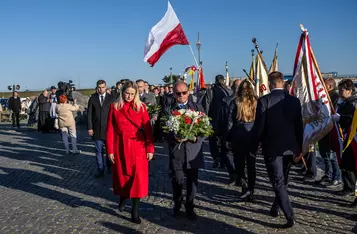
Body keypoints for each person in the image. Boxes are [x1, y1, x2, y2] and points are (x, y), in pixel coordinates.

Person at [251, 71, 303, 228]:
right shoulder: (294, 101)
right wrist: (299, 147)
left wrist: (256, 142)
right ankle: (275, 207)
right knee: (282, 180)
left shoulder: (264, 100)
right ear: (282, 82)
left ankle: (290, 215)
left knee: (278, 181)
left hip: (272, 146)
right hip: (290, 146)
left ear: (270, 83)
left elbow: (259, 126)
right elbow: (299, 126)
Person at [106, 81, 154, 224]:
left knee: (138, 179)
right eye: (127, 93)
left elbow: (148, 130)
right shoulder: (114, 107)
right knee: (123, 178)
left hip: (139, 148)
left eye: (132, 94)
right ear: (122, 92)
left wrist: (150, 149)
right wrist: (110, 151)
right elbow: (110, 130)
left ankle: (135, 211)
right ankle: (122, 197)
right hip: (121, 147)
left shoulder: (141, 107)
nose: (129, 96)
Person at [165, 81, 205, 221]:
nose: (181, 95)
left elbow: (205, 127)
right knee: (177, 180)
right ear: (174, 93)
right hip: (177, 151)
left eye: (184, 92)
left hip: (193, 151)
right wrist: (173, 137)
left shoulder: (197, 107)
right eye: (178, 93)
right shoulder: (169, 109)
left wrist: (196, 137)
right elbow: (162, 130)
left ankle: (190, 206)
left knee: (192, 180)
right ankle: (177, 204)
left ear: (188, 92)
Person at [226, 80, 258, 200]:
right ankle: (251, 189)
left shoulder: (236, 101)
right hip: (252, 135)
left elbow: (230, 121)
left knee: (239, 163)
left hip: (238, 135)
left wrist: (228, 137)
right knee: (251, 164)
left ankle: (244, 186)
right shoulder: (256, 101)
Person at [202, 74, 232, 168]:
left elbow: (206, 106)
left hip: (213, 121)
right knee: (224, 141)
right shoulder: (230, 91)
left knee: (213, 141)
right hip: (226, 121)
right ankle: (223, 160)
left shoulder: (210, 92)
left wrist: (206, 119)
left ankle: (216, 158)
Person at [87, 80, 115, 177]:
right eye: (99, 87)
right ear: (96, 87)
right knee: (98, 151)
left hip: (109, 130)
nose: (101, 89)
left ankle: (110, 168)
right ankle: (100, 169)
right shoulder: (93, 98)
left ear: (106, 87)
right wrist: (90, 128)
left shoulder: (111, 98)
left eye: (102, 87)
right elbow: (89, 114)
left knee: (109, 151)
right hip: (97, 129)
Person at [334, 79, 357, 198]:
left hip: (353, 138)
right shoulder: (343, 102)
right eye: (339, 89)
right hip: (345, 136)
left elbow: (353, 120)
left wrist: (340, 118)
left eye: (342, 90)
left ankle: (351, 187)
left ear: (349, 91)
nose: (340, 92)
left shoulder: (354, 103)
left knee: (351, 163)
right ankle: (348, 186)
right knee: (346, 163)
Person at [316, 78, 341, 186]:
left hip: (331, 129)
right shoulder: (323, 96)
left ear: (330, 86)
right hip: (322, 128)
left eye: (324, 85)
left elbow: (333, 112)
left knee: (331, 155)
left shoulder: (335, 97)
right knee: (324, 153)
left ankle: (336, 176)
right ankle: (328, 174)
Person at [218, 79, 241, 184]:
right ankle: (238, 175)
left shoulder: (226, 100)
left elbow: (222, 117)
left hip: (229, 131)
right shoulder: (248, 100)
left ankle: (233, 173)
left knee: (228, 153)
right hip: (242, 132)